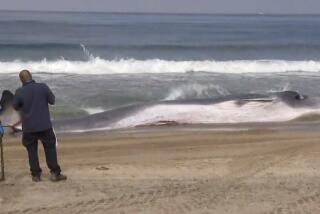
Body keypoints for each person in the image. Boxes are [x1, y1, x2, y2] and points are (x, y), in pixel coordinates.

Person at [12, 70, 67, 182]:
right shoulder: (43, 87)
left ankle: (36, 175)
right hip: (45, 126)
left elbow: (15, 107)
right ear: (31, 77)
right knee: (50, 148)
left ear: (21, 80)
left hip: (29, 127)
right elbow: (52, 101)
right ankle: (55, 173)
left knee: (31, 151)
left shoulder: (19, 91)